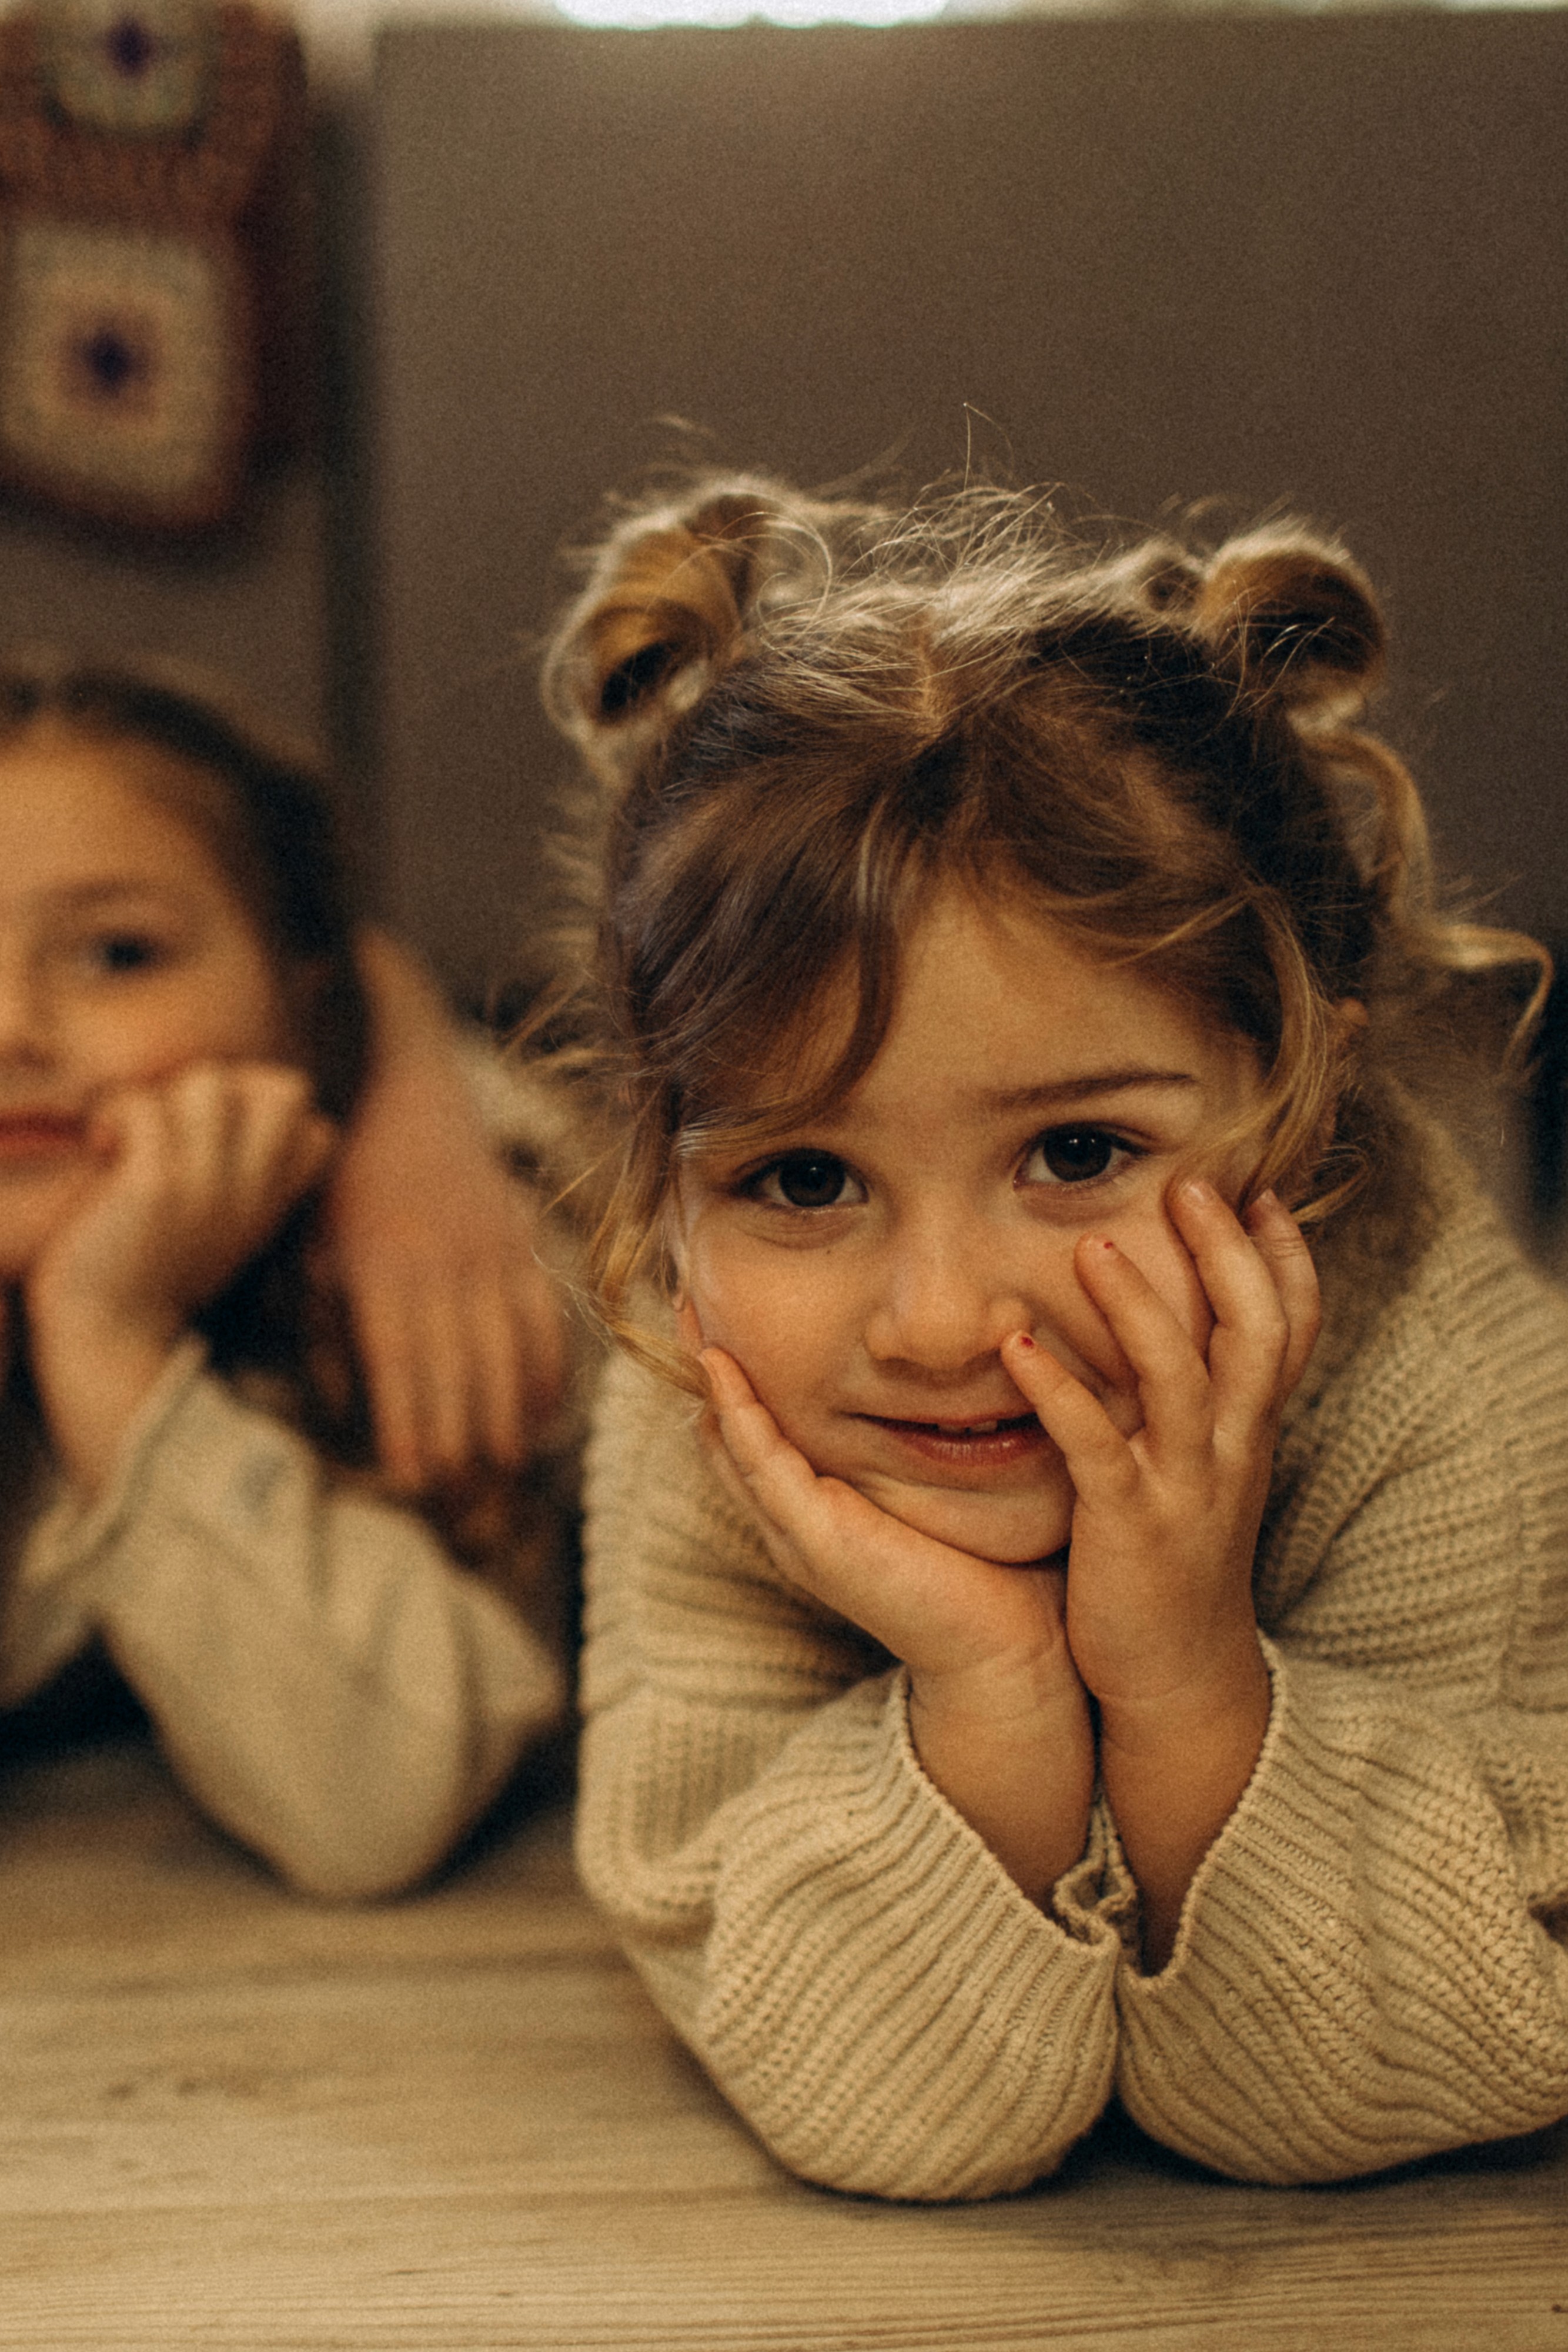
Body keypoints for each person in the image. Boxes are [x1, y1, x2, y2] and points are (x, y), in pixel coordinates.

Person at [540, 474, 1568, 2200]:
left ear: (1304, 1095)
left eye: (1078, 1153)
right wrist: (990, 1699)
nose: (941, 1321)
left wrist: (1188, 1689)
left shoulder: (1441, 1399)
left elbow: (1402, 2072)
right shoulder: (710, 1394)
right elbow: (884, 2108)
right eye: (804, 1177)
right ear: (662, 1169)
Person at [0, 656, 572, 1900]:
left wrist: (106, 1335)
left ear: (299, 998)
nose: (12, 1026)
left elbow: (375, 1802)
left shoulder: (448, 1263)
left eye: (116, 954)